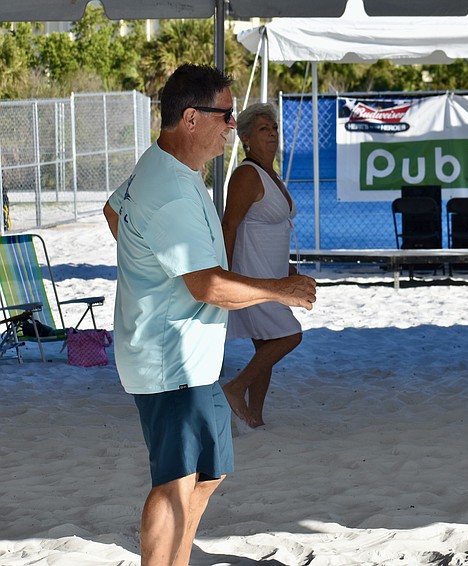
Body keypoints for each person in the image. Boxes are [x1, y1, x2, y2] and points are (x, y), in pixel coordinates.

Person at [102, 64, 317, 566]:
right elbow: (207, 286)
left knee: (209, 470)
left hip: (185, 355)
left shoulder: (163, 166)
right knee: (175, 481)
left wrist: (146, 267)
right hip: (167, 356)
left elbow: (114, 212)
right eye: (226, 116)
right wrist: (279, 290)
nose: (233, 127)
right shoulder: (173, 189)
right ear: (192, 118)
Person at [220, 103, 302, 428]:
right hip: (251, 275)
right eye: (264, 129)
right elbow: (229, 226)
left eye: (275, 129)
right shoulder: (246, 174)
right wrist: (224, 275)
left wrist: (288, 270)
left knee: (266, 346)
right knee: (289, 336)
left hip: (273, 274)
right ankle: (235, 388)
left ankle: (255, 417)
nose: (272, 134)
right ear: (246, 138)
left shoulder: (271, 175)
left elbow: (273, 230)